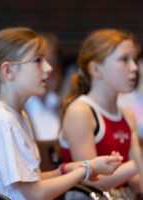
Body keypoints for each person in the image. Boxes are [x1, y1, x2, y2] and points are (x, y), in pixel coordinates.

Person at [0, 27, 124, 200]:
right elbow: (35, 194)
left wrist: (65, 170)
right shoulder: (1, 119)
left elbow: (32, 183)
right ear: (8, 71)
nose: (48, 68)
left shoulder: (17, 115)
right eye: (38, 60)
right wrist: (87, 169)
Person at [59, 29, 143, 198]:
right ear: (96, 69)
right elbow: (92, 181)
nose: (134, 67)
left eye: (134, 59)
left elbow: (136, 180)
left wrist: (137, 173)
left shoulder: (127, 116)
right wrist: (137, 165)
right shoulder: (81, 111)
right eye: (124, 60)